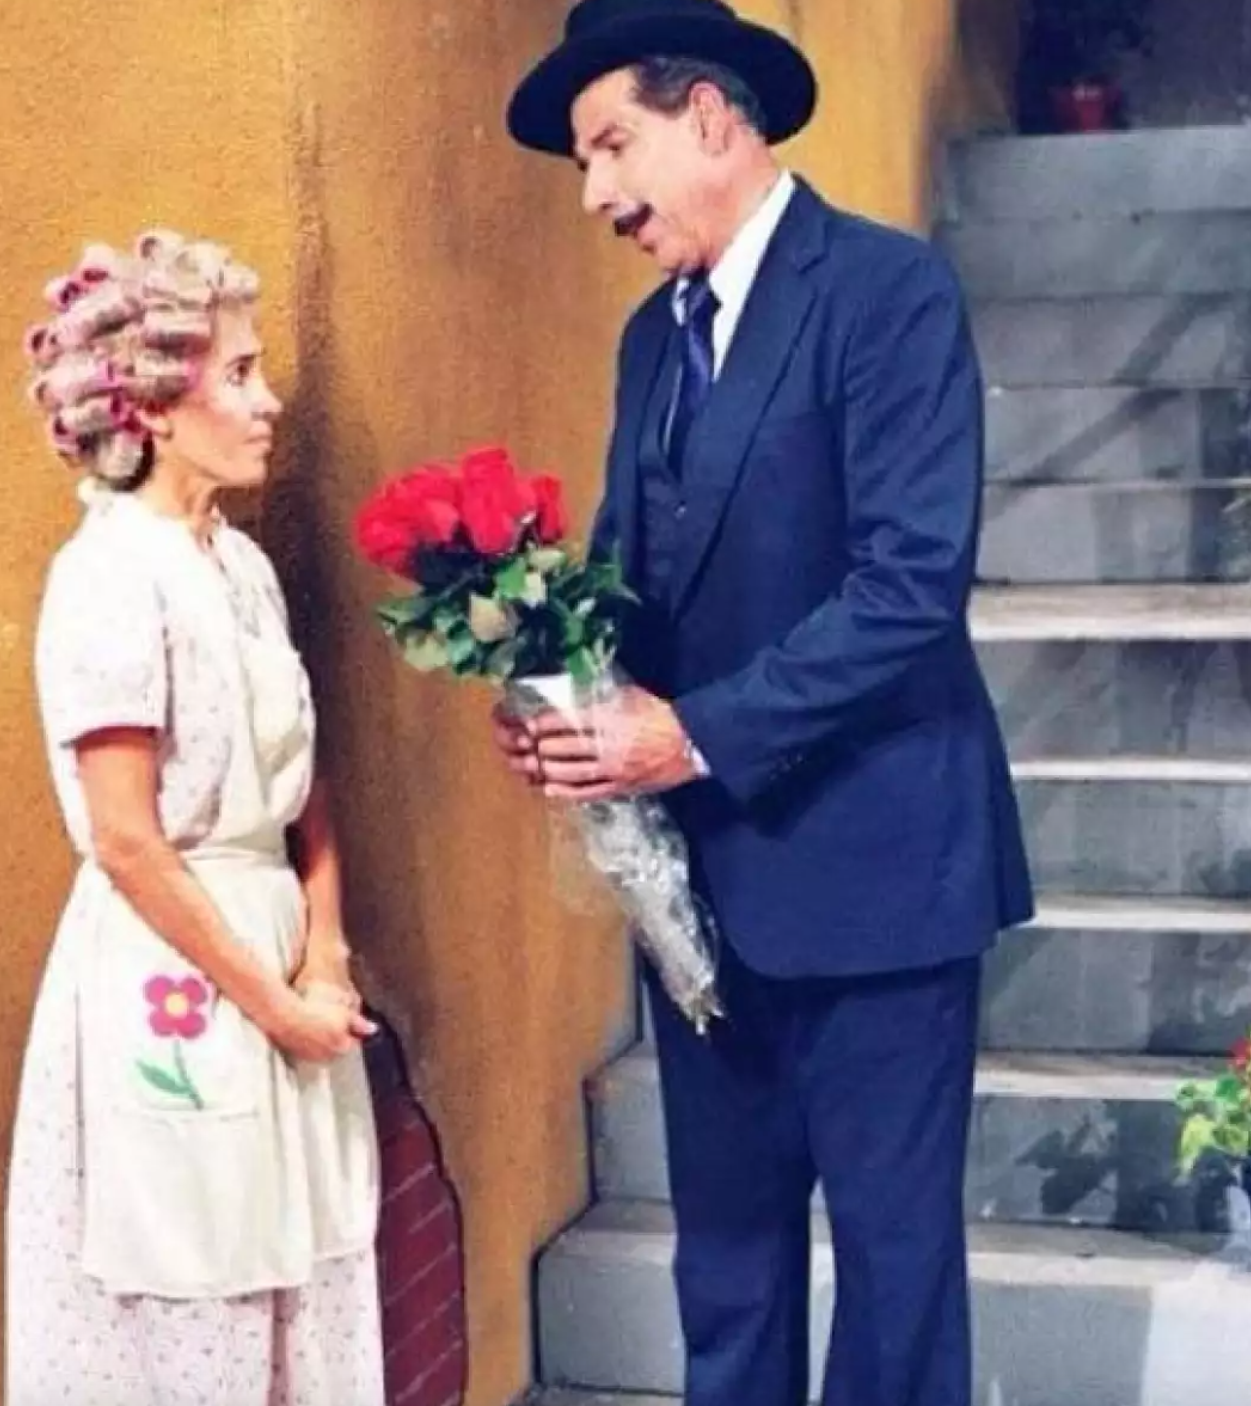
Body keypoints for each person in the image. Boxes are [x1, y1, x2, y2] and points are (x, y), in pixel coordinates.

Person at [497, 4, 1033, 1405]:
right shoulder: (648, 341)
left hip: (880, 879)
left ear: (709, 117)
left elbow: (907, 587)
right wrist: (557, 690)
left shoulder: (887, 291)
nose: (595, 193)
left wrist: (684, 735)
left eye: (611, 145)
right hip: (706, 898)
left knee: (892, 1284)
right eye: (583, 163)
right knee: (725, 1273)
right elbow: (632, 580)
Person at [7, 230, 384, 1406]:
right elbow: (126, 838)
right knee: (194, 1279)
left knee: (305, 1268)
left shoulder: (242, 567)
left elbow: (303, 775)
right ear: (152, 408)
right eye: (239, 373)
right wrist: (270, 1001)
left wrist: (324, 950)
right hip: (174, 969)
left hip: (282, 957)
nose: (268, 402)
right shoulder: (110, 574)